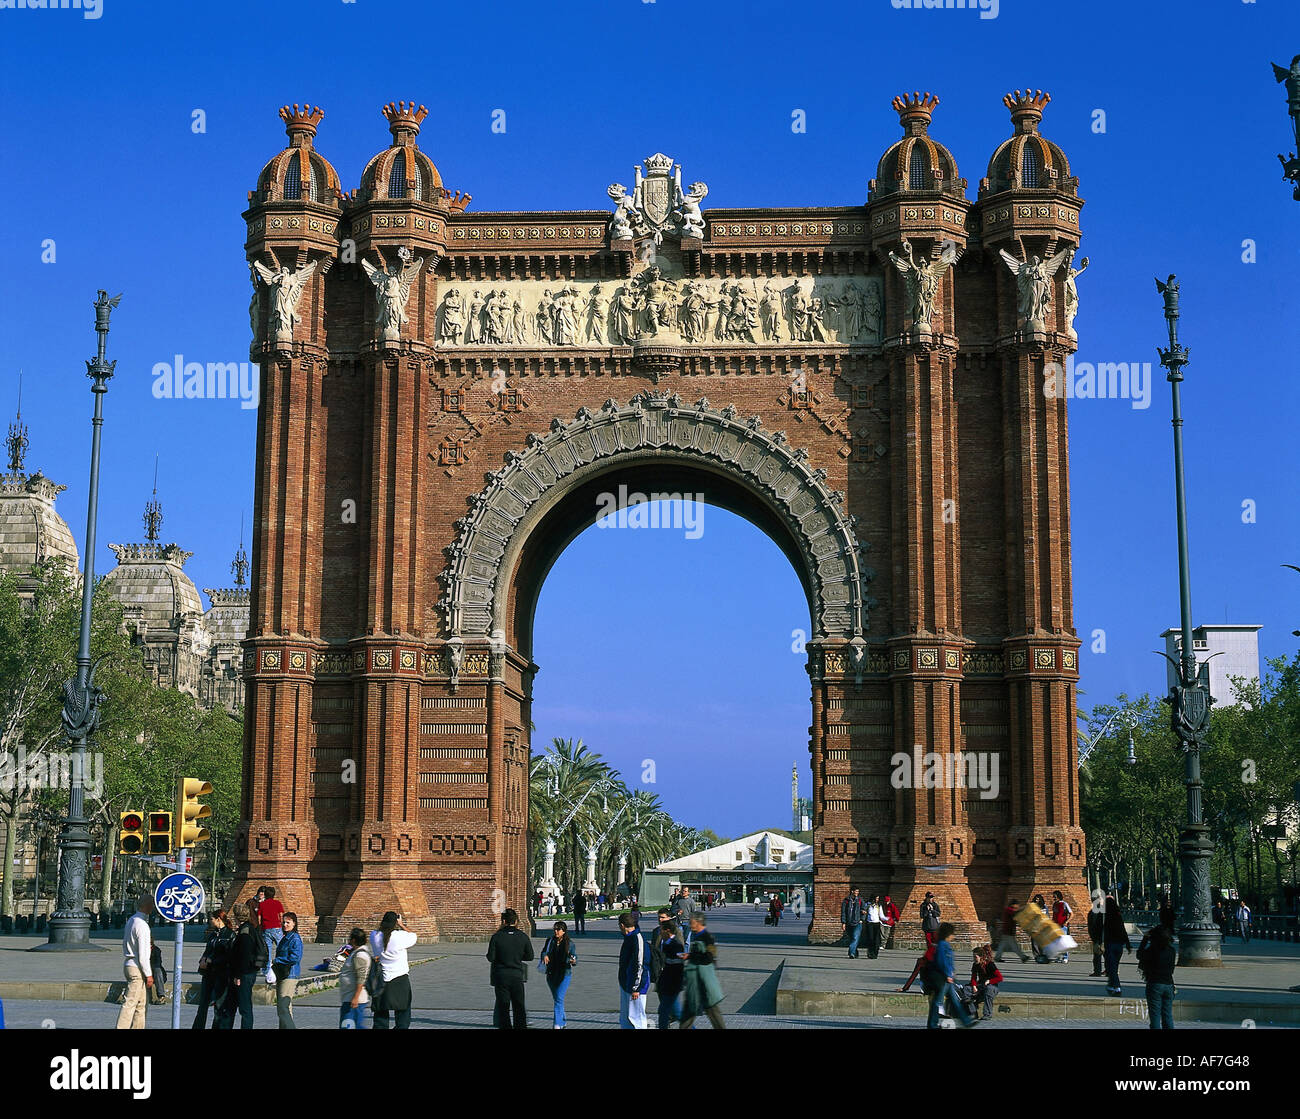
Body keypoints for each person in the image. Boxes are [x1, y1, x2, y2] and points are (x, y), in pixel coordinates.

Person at [487, 908, 533, 1028]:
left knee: (503, 1007)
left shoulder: (497, 937)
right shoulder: (523, 936)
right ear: (516, 921)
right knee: (519, 1006)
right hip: (517, 975)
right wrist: (517, 956)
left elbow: (491, 957)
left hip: (501, 975)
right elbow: (530, 956)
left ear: (503, 921)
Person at [371, 911, 418, 1029]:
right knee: (403, 1012)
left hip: (381, 979)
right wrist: (401, 924)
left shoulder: (374, 935)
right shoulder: (399, 936)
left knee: (380, 1015)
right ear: (395, 923)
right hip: (400, 978)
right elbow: (413, 936)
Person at [679, 911, 726, 1029]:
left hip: (703, 983)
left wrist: (690, 956)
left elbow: (708, 958)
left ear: (698, 922)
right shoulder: (698, 936)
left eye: (691, 922)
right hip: (695, 982)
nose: (690, 925)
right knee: (689, 1011)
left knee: (712, 1011)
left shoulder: (707, 938)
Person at [926, 923, 975, 1029]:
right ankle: (932, 1024)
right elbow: (942, 962)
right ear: (948, 934)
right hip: (944, 978)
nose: (953, 936)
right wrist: (948, 974)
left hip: (948, 978)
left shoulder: (942, 944)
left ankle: (966, 1021)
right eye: (953, 934)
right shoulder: (943, 945)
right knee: (938, 1002)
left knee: (955, 1000)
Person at [117, 893, 155, 1029]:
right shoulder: (142, 926)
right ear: (148, 906)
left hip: (129, 963)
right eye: (152, 905)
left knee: (141, 1003)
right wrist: (149, 974)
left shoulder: (132, 920)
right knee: (131, 1003)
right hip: (137, 966)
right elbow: (144, 954)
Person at [192, 909, 234, 1029]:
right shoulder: (213, 934)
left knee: (219, 1005)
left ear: (218, 919)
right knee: (203, 1004)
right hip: (209, 972)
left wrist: (212, 960)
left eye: (211, 919)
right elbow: (208, 950)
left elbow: (228, 956)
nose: (210, 921)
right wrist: (203, 960)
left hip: (221, 973)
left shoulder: (229, 935)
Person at [229, 902, 264, 1030]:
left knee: (245, 1007)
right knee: (245, 1006)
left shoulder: (244, 933)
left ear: (236, 917)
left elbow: (243, 956)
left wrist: (238, 975)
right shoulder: (251, 928)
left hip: (245, 973)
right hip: (250, 971)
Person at [651, 908, 686, 1031]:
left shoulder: (677, 932)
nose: (660, 920)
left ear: (669, 918)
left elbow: (680, 952)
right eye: (659, 917)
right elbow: (654, 950)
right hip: (659, 971)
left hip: (671, 975)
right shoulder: (656, 931)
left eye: (663, 917)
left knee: (669, 1009)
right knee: (666, 1007)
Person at [1137, 922, 1176, 1029]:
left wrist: (1145, 938)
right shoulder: (1172, 950)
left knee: (1155, 1016)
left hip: (1155, 984)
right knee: (1167, 1015)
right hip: (1169, 984)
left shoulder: (1152, 950)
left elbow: (1139, 954)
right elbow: (1172, 969)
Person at [540, 920, 577, 1029]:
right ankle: (563, 1020)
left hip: (564, 974)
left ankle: (557, 1024)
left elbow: (574, 957)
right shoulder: (550, 941)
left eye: (558, 929)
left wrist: (573, 960)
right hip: (551, 973)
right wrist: (544, 956)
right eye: (555, 929)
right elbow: (544, 951)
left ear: (564, 931)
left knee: (559, 999)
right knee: (557, 998)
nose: (556, 931)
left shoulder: (570, 944)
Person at [617, 911, 651, 1029]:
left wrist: (636, 987)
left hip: (636, 987)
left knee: (637, 1019)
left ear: (622, 925)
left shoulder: (637, 939)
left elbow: (641, 965)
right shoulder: (629, 938)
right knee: (626, 1019)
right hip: (626, 983)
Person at [273, 911, 303, 1028]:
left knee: (283, 1007)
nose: (285, 924)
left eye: (288, 922)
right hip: (282, 974)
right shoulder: (286, 937)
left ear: (294, 924)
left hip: (290, 974)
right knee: (285, 1008)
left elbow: (295, 957)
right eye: (284, 922)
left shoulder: (294, 938)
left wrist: (277, 960)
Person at [337, 926, 372, 1030]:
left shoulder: (360, 955)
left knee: (348, 1025)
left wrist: (355, 997)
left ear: (353, 940)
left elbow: (361, 978)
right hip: (350, 996)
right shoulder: (355, 952)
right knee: (355, 1025)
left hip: (354, 998)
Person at [1102, 894, 1132, 995]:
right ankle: (1111, 985)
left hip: (1110, 944)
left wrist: (1099, 942)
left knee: (1111, 967)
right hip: (1119, 945)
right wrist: (1128, 944)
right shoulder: (1118, 916)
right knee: (1113, 966)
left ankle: (1117, 987)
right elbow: (1123, 930)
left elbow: (1100, 931)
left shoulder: (1105, 917)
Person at [258, 886, 285, 982]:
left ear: (265, 894)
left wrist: (261, 928)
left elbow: (259, 918)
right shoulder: (277, 903)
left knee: (267, 950)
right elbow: (281, 916)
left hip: (266, 928)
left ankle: (267, 970)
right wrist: (281, 925)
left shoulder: (262, 904)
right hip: (277, 927)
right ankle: (281, 965)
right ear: (274, 894)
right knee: (281, 947)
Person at [970, 945, 1003, 1020]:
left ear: (981, 957)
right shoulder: (975, 965)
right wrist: (974, 986)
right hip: (981, 985)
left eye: (975, 957)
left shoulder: (990, 964)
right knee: (967, 989)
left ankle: (987, 1014)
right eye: (973, 957)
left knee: (989, 990)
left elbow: (1000, 978)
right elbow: (973, 977)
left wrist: (990, 981)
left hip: (992, 986)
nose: (974, 959)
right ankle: (972, 1012)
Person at [841, 887, 865, 959]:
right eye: (856, 891)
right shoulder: (846, 901)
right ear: (852, 891)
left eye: (858, 891)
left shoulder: (860, 900)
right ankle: (854, 952)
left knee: (855, 937)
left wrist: (862, 919)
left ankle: (851, 953)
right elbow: (843, 912)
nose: (857, 893)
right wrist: (843, 922)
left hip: (858, 922)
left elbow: (864, 908)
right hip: (849, 922)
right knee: (852, 938)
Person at [1051, 891, 1074, 963]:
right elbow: (1054, 915)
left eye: (1055, 896)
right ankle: (1058, 957)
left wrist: (1066, 922)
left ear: (1058, 896)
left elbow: (1071, 914)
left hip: (1062, 925)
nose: (1053, 898)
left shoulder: (1064, 904)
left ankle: (1065, 957)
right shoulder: (1055, 904)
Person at [1087, 892, 1106, 976]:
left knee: (1098, 955)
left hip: (1099, 937)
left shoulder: (1095, 912)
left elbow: (1094, 926)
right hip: (1101, 937)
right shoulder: (1101, 911)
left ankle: (1097, 971)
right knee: (1105, 955)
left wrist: (1099, 939)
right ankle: (1108, 970)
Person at [865, 895, 884, 959]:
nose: (877, 900)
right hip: (869, 923)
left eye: (878, 898)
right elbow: (864, 912)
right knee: (870, 938)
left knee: (876, 939)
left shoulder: (878, 906)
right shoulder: (868, 905)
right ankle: (870, 953)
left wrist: (888, 919)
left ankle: (875, 953)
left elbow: (881, 915)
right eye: (876, 898)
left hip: (877, 923)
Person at [150, 936, 168, 1004]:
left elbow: (158, 963)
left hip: (155, 973)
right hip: (145, 971)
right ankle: (127, 996)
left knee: (157, 970)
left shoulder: (156, 950)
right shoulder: (140, 950)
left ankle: (161, 996)